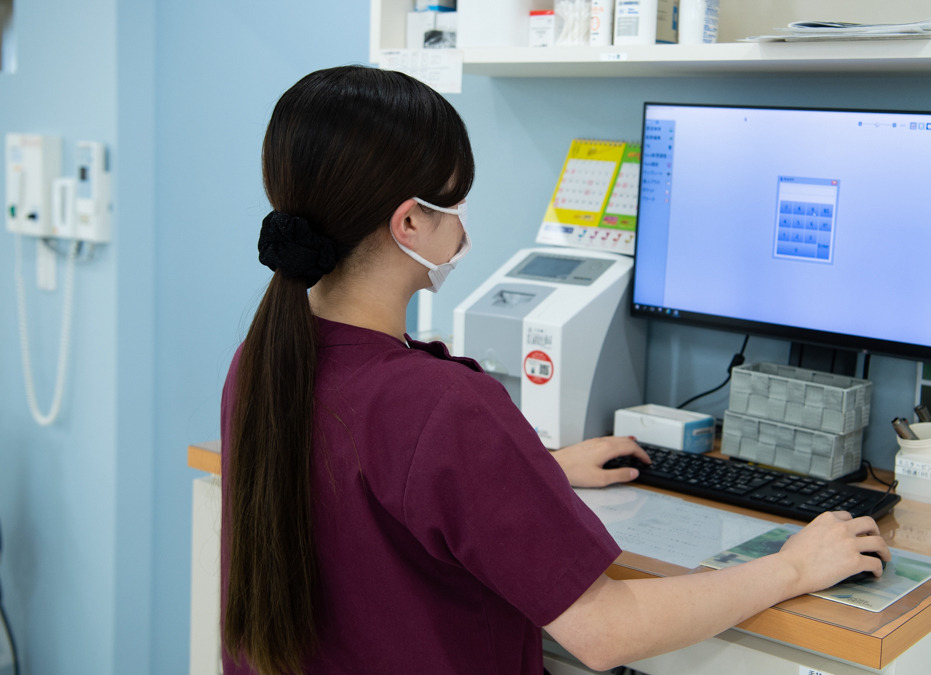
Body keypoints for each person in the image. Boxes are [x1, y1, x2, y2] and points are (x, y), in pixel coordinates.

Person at [220, 65, 889, 675]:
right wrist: (793, 565)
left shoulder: (262, 364)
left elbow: (382, 482)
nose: (462, 227)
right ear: (409, 224)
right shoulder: (441, 405)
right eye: (455, 202)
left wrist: (539, 469)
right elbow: (604, 630)